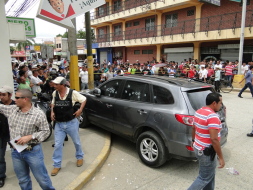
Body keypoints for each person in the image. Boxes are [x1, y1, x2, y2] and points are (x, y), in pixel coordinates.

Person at [0, 89, 54, 190]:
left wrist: (30, 136)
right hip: (15, 151)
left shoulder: (38, 114)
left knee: (42, 178)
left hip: (32, 151)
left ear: (25, 99)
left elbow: (46, 131)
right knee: (23, 179)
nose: (14, 100)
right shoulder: (12, 109)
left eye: (16, 97)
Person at [50, 77, 87, 176]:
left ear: (63, 84)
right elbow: (53, 103)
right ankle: (57, 165)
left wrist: (80, 110)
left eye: (56, 84)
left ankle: (79, 157)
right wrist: (52, 112)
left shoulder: (72, 93)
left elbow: (84, 99)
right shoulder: (55, 93)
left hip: (71, 123)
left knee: (76, 142)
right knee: (58, 145)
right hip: (59, 124)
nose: (54, 86)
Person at [188, 93, 225, 190]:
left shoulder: (199, 111)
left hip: (198, 148)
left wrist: (193, 140)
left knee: (209, 175)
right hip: (206, 152)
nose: (221, 105)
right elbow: (214, 139)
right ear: (214, 103)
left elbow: (193, 128)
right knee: (204, 178)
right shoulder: (212, 116)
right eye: (220, 103)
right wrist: (221, 157)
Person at [0, 86, 15, 188]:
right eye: (0, 95)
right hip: (1, 134)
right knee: (0, 157)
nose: (1, 97)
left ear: (10, 95)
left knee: (21, 153)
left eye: (3, 95)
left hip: (13, 134)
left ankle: (23, 171)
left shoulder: (16, 105)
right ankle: (1, 176)